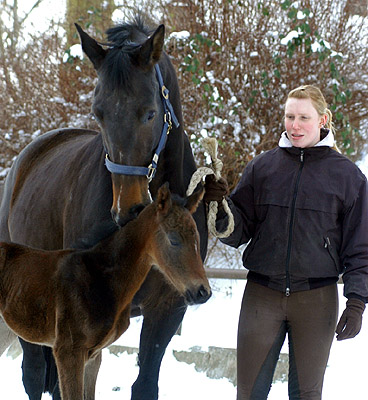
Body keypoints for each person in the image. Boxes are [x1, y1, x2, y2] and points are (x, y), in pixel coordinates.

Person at [204, 85, 368, 400]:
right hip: (261, 296)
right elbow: (238, 230)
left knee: (306, 394)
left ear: (322, 120)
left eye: (303, 117)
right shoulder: (263, 168)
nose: (294, 125)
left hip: (316, 300)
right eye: (289, 116)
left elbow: (359, 249)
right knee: (249, 393)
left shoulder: (348, 178)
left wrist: (357, 302)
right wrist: (217, 204)